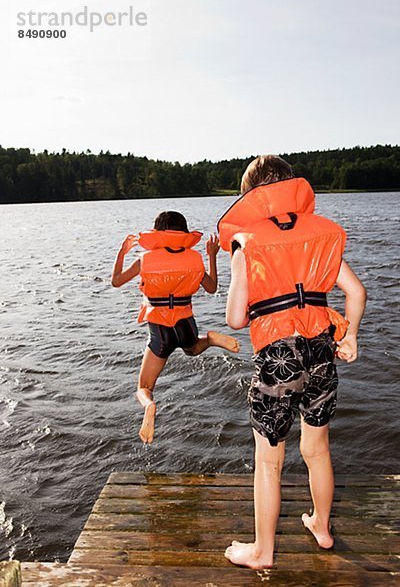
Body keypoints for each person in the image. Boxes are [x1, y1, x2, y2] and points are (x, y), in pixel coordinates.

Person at [218, 155, 367, 569]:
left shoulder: (247, 242)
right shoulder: (321, 236)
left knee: (270, 458)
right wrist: (350, 335)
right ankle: (321, 527)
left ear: (251, 194)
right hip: (321, 349)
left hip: (278, 357)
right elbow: (356, 293)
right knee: (317, 448)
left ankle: (263, 552)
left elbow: (235, 318)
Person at [111, 210, 239, 445]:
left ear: (158, 233)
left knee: (144, 386)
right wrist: (211, 254)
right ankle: (210, 338)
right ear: (184, 232)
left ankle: (149, 405)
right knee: (192, 348)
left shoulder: (145, 259)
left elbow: (116, 281)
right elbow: (211, 288)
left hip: (160, 330)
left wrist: (122, 253)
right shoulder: (194, 258)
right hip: (186, 324)